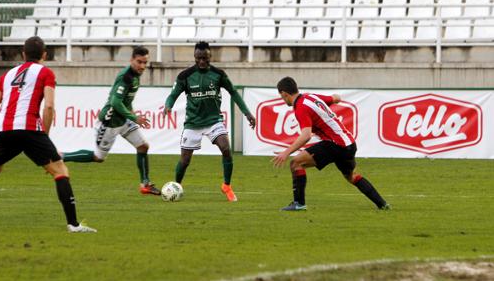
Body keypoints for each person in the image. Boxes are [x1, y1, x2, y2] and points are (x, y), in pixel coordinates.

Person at [0, 37, 96, 233]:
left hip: (5, 130)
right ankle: (73, 224)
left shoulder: (8, 75)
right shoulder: (45, 73)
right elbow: (50, 106)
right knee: (60, 172)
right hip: (30, 130)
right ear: (44, 55)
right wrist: (44, 137)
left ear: (23, 54)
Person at [272, 76, 390, 211]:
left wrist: (286, 152)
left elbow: (305, 136)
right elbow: (335, 98)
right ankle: (382, 204)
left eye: (281, 96)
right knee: (352, 176)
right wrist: (336, 97)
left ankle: (299, 203)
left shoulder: (301, 107)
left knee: (296, 163)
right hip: (349, 144)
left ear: (284, 94)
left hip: (335, 144)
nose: (282, 99)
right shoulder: (312, 97)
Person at [163, 41, 256, 202]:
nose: (202, 62)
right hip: (193, 123)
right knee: (185, 161)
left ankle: (226, 185)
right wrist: (168, 105)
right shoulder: (185, 76)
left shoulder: (218, 74)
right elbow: (173, 94)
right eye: (199, 58)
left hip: (214, 120)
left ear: (210, 56)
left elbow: (233, 93)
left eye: (205, 58)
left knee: (226, 148)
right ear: (194, 57)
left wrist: (247, 113)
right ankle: (176, 186)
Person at [62, 47, 161, 196]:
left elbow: (126, 100)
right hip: (110, 122)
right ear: (132, 60)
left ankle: (145, 184)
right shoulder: (126, 77)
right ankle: (62, 156)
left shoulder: (136, 75)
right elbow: (115, 102)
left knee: (143, 146)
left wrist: (131, 115)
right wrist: (134, 118)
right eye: (139, 62)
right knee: (98, 157)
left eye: (145, 63)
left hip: (123, 120)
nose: (142, 66)